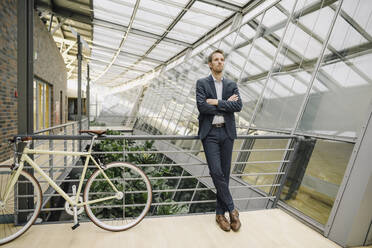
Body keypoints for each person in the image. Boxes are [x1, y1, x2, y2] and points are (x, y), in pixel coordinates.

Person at [195, 49, 243, 232]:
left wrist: (216, 102)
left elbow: (238, 105)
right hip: (210, 134)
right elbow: (202, 107)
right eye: (216, 60)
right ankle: (232, 210)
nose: (219, 62)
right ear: (210, 64)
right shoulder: (202, 83)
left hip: (227, 133)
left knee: (224, 173)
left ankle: (219, 215)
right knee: (216, 172)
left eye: (222, 59)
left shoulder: (231, 84)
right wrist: (225, 105)